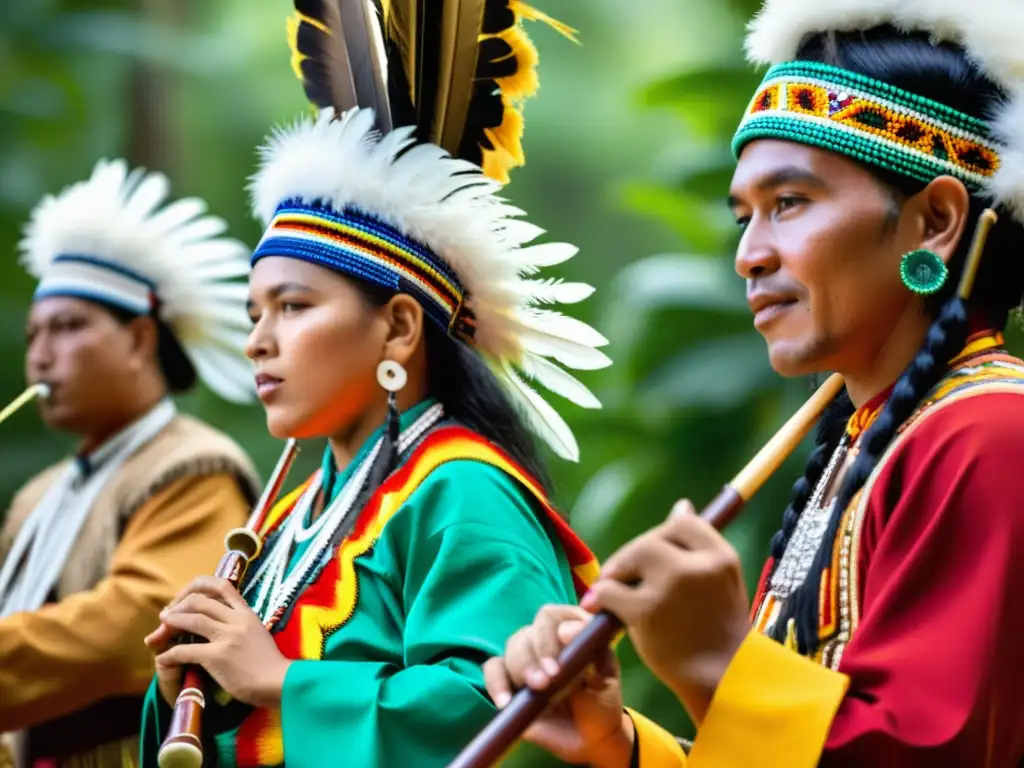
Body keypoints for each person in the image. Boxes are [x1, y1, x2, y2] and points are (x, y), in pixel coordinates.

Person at [481, 1, 1024, 766]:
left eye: (789, 204)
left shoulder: (990, 434)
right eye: (744, 217)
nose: (751, 255)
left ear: (934, 219)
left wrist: (720, 661)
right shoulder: (860, 444)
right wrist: (622, 742)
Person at [138, 2, 607, 766]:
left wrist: (279, 681)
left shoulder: (465, 494)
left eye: (292, 307)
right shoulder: (293, 518)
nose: (259, 339)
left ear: (397, 327)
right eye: (254, 312)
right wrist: (184, 691)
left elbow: (503, 716)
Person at [0, 158, 261, 768]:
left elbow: (137, 629)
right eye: (34, 334)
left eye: (67, 328)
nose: (40, 356)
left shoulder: (194, 467)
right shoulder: (42, 494)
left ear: (141, 341)